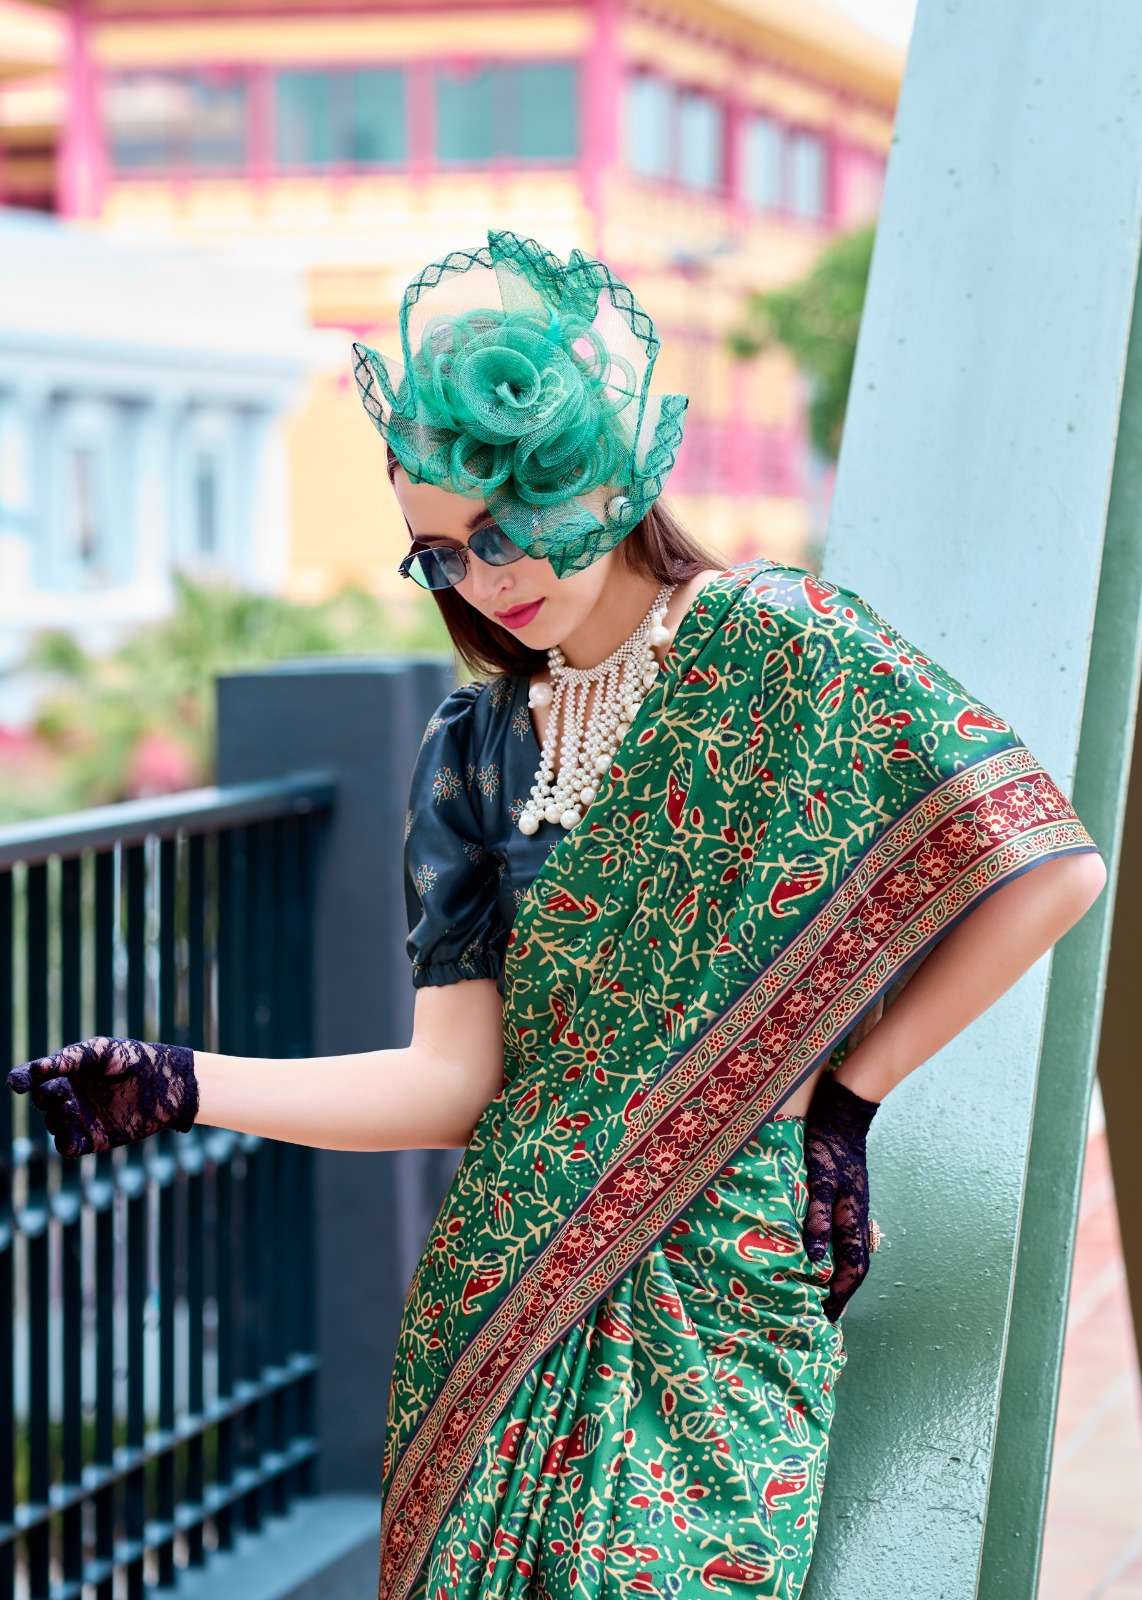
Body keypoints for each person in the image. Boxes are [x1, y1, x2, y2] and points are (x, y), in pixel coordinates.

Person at [7, 230, 1107, 1600]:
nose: (486, 576)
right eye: (443, 554)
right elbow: (454, 1081)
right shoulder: (473, 750)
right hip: (501, 1293)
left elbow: (1048, 868)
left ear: (599, 478)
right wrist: (185, 1084)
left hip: (724, 1275)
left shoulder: (783, 647)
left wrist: (846, 1097)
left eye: (508, 524)